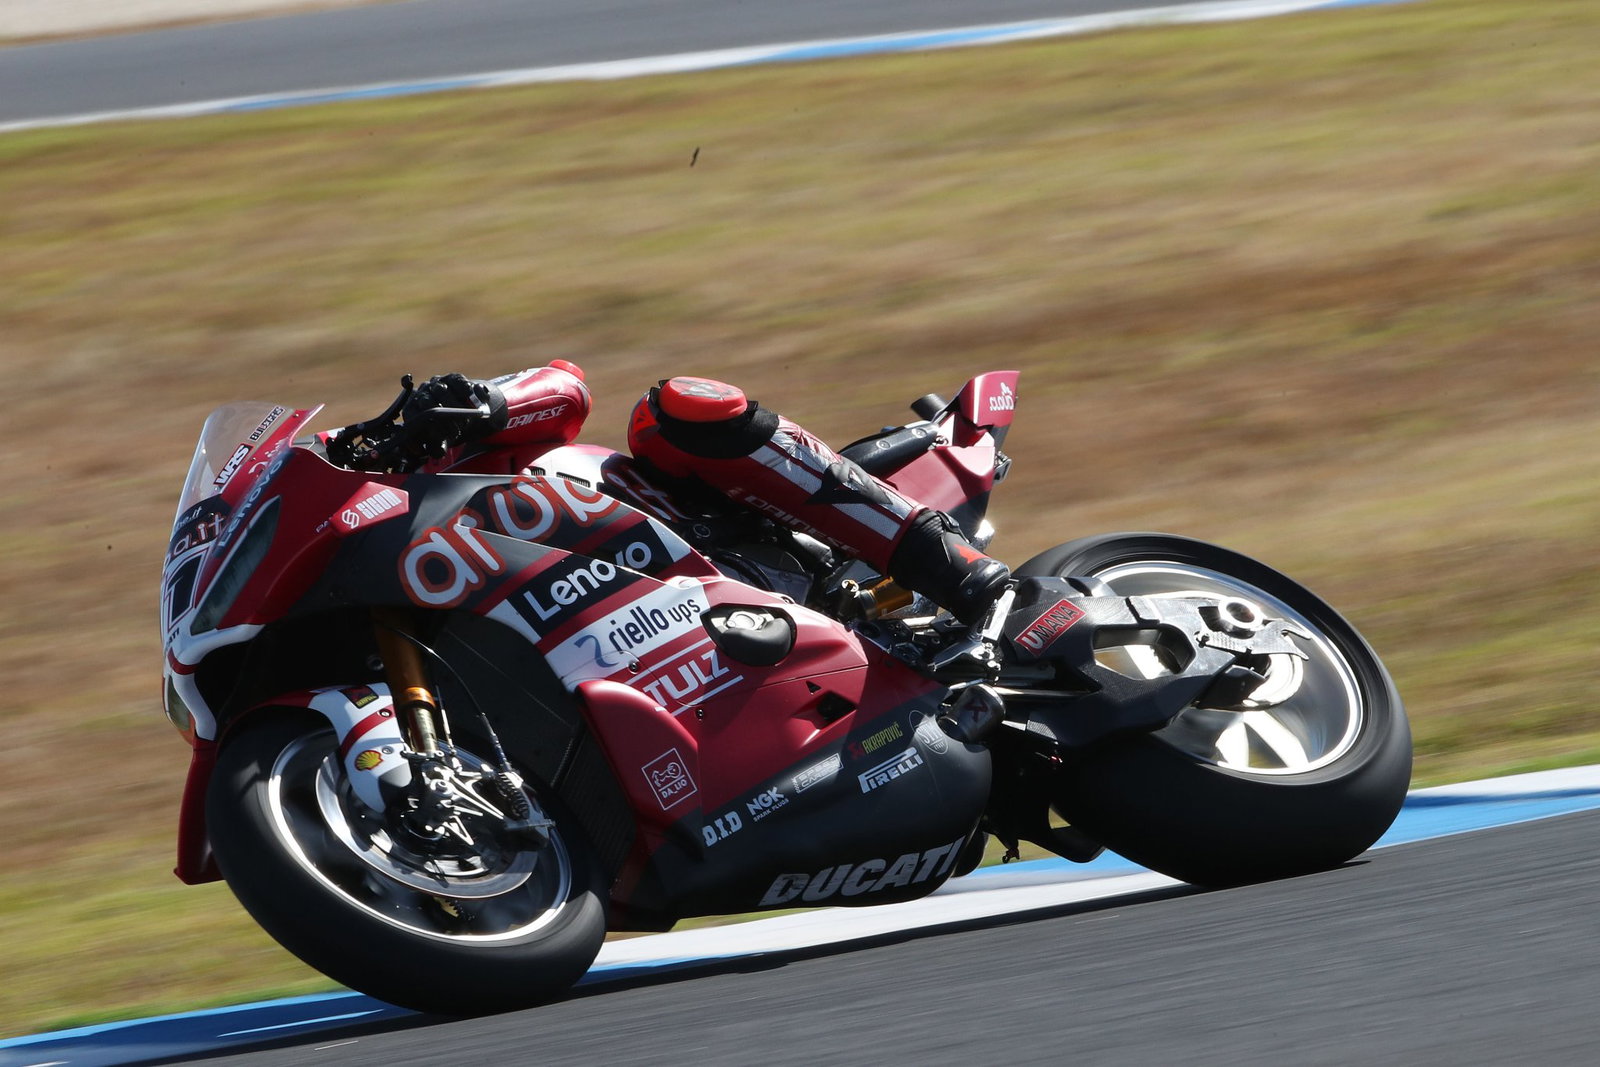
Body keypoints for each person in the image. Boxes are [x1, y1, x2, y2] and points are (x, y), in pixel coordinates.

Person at [388, 365, 1012, 626]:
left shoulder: (430, 449)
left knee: (671, 409)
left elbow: (566, 388)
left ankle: (944, 561)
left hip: (714, 539)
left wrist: (474, 401)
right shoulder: (392, 570)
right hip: (633, 637)